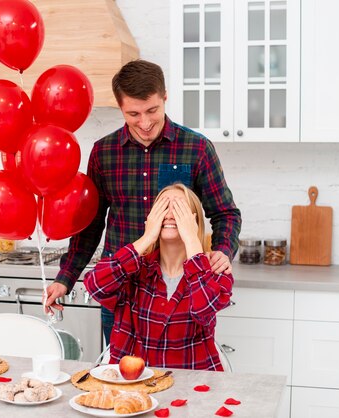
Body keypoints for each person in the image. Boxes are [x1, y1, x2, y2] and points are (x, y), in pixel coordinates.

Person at [44, 59, 241, 345]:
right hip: (120, 290)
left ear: (164, 97)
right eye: (133, 114)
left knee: (179, 375)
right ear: (120, 107)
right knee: (120, 379)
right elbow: (90, 226)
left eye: (152, 110)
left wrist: (223, 250)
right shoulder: (104, 153)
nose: (145, 123)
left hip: (180, 293)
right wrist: (65, 278)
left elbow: (226, 213)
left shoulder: (196, 148)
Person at [83, 183, 233, 370]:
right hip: (135, 388)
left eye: (179, 209)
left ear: (193, 221)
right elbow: (95, 285)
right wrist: (146, 238)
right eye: (163, 207)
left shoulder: (215, 268)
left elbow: (204, 310)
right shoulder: (135, 268)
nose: (169, 214)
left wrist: (193, 240)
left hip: (193, 388)